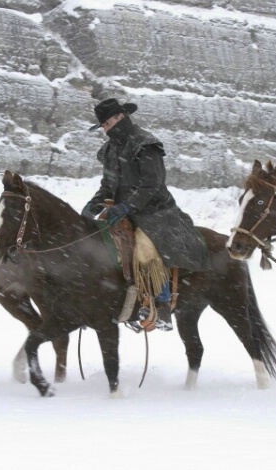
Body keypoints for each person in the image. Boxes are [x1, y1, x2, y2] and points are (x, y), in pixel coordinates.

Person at [82, 98, 208, 331]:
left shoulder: (145, 143)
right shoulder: (110, 150)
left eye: (109, 123)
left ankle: (161, 304)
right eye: (104, 126)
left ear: (121, 117)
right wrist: (94, 203)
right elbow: (108, 185)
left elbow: (152, 184)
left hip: (156, 212)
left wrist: (128, 205)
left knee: (145, 247)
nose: (107, 129)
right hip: (122, 213)